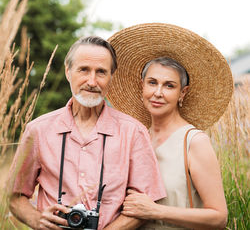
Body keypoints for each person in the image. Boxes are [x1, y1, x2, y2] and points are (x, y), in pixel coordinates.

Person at [8, 36, 166, 230]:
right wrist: (35, 219)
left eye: (101, 72)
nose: (92, 81)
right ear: (68, 72)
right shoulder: (38, 130)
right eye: (83, 70)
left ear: (111, 77)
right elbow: (14, 196)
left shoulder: (134, 132)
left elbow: (146, 204)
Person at [106, 23, 233, 229]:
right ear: (142, 86)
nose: (158, 93)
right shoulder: (138, 138)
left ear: (182, 93)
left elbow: (219, 218)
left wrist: (155, 211)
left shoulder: (193, 141)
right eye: (152, 82)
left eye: (169, 86)